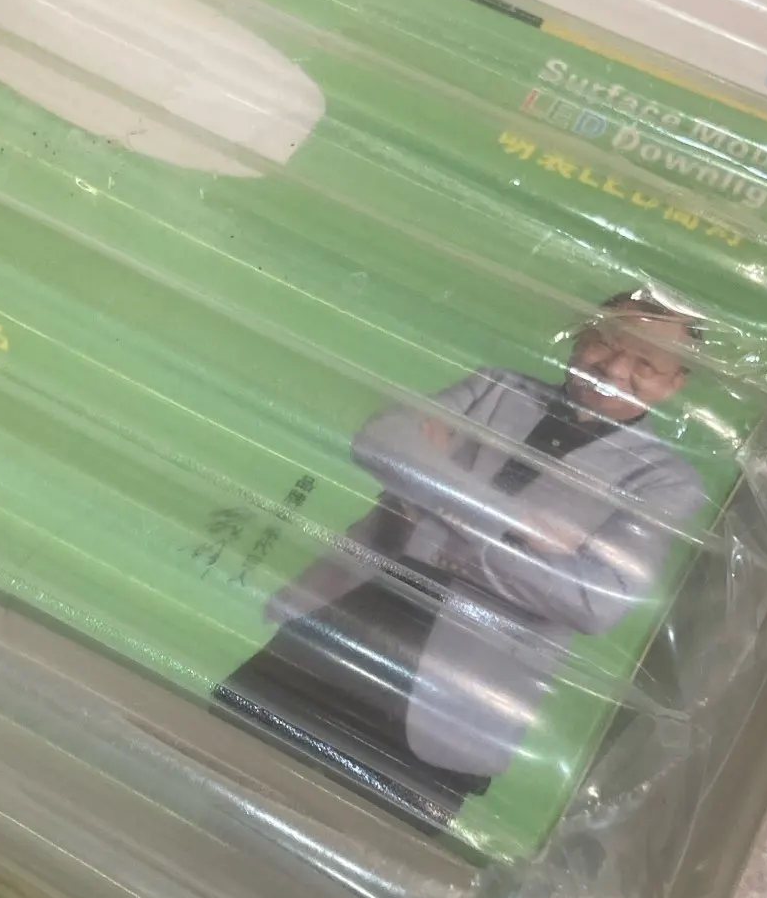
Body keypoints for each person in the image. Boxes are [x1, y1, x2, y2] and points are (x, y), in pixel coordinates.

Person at [213, 289, 709, 830]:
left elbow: (593, 601)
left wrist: (434, 499)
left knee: (364, 844)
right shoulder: (498, 386)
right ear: (581, 335)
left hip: (460, 696)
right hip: (340, 620)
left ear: (674, 383)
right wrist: (518, 524)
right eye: (605, 343)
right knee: (215, 763)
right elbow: (381, 442)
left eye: (645, 363)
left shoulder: (666, 482)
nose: (612, 369)